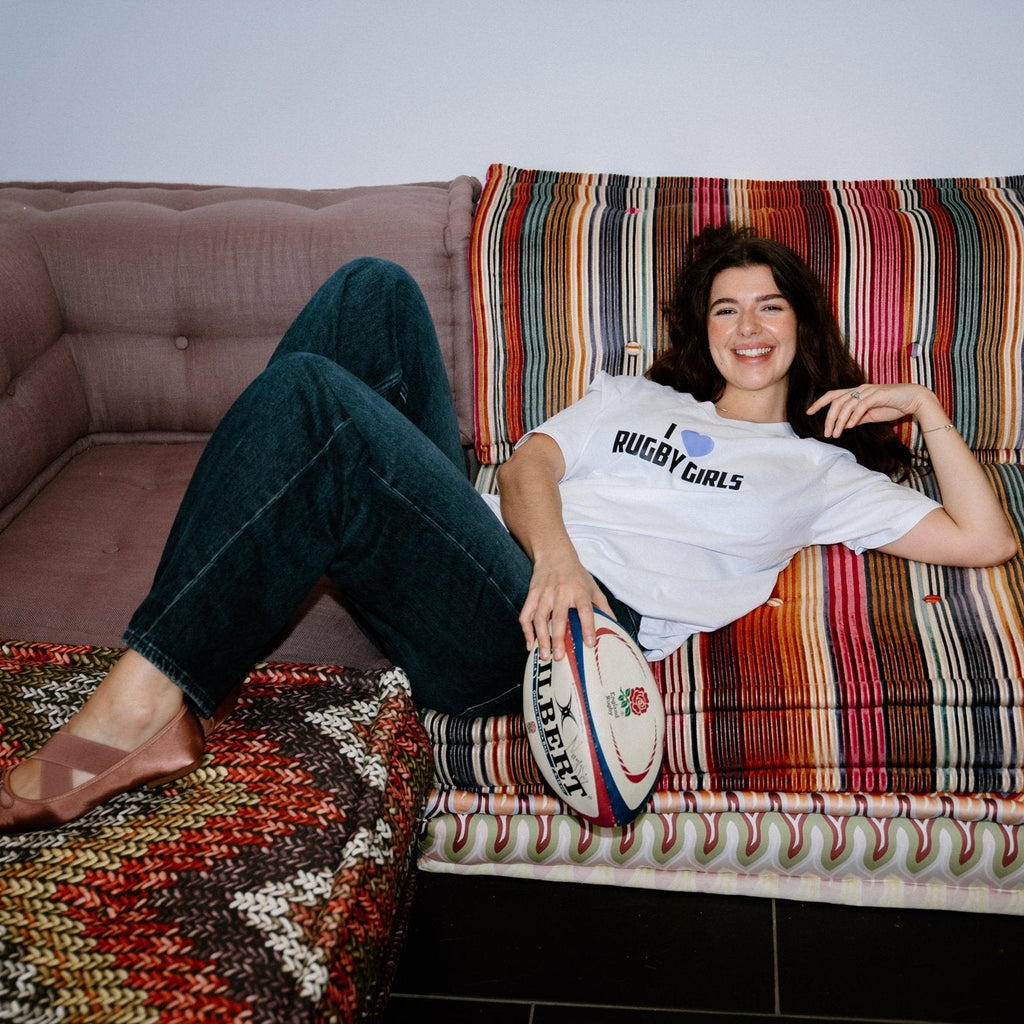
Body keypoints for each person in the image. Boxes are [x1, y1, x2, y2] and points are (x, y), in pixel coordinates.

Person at [1, 227, 1015, 833]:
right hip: (505, 557)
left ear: (802, 323)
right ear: (699, 332)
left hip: (540, 641)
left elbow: (986, 541)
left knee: (312, 400)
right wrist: (555, 554)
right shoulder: (634, 399)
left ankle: (134, 712)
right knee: (371, 291)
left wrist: (924, 407)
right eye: (724, 310)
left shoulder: (820, 470)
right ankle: (226, 614)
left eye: (770, 307)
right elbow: (530, 464)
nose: (748, 327)